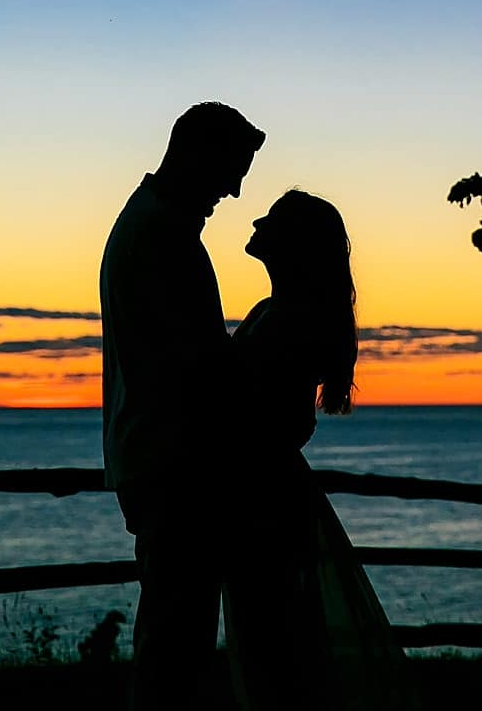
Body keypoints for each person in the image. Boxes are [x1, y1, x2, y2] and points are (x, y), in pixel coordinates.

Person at [224, 189, 420, 711]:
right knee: (271, 629)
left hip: (263, 493)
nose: (257, 221)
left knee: (275, 632)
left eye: (273, 219)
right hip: (261, 485)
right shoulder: (273, 309)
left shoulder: (293, 317)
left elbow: (277, 412)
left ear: (293, 243)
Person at [99, 101, 265, 710]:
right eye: (233, 169)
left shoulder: (151, 226)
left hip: (155, 453)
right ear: (198, 153)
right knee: (177, 635)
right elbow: (194, 360)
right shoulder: (161, 235)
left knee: (175, 629)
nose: (236, 189)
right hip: (172, 460)